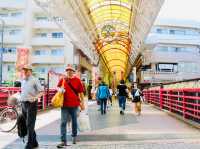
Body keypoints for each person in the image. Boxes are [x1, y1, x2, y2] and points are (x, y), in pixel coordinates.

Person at [56, 65, 85, 148]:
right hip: (64, 105)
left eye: (70, 70)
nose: (69, 71)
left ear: (73, 71)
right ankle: (63, 141)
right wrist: (60, 90)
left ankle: (74, 136)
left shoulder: (77, 80)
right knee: (63, 122)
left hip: (75, 105)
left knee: (74, 122)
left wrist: (82, 103)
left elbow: (81, 93)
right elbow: (57, 88)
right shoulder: (63, 79)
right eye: (67, 70)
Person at [20, 65, 44, 149]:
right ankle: (35, 142)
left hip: (31, 104)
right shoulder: (23, 80)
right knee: (27, 124)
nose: (25, 72)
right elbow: (24, 92)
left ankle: (29, 144)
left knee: (30, 124)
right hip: (23, 104)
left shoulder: (34, 80)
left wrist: (35, 98)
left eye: (26, 70)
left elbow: (41, 91)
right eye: (24, 70)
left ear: (30, 71)